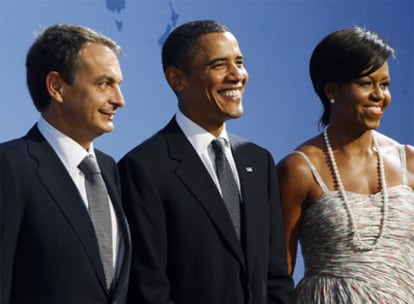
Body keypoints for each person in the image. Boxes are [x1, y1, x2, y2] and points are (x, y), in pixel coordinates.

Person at [118, 20, 293, 304]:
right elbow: (149, 287)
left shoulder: (259, 161)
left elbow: (276, 277)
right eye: (219, 65)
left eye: (240, 62)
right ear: (177, 79)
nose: (237, 75)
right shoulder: (143, 168)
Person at [277, 26, 414, 303]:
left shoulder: (409, 161)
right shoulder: (299, 169)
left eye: (384, 84)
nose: (379, 95)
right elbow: (279, 273)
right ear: (332, 90)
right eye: (365, 83)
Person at [0, 24, 131, 304]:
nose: (119, 100)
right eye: (104, 84)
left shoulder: (111, 171)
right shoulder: (9, 167)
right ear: (56, 86)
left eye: (119, 85)